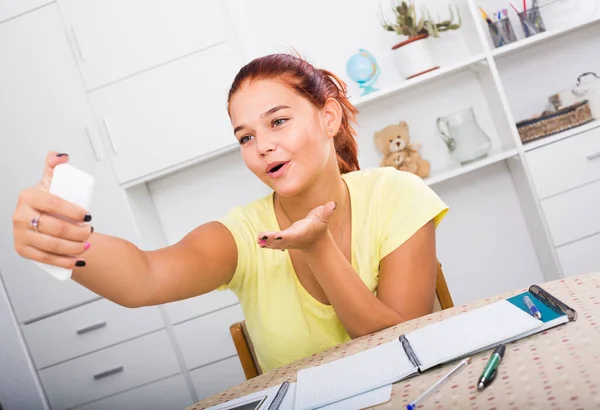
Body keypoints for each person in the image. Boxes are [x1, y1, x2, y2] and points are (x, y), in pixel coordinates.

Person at [11, 53, 448, 374]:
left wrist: (319, 249)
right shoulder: (243, 235)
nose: (261, 145)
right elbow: (144, 276)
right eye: (245, 137)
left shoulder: (396, 193)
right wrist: (64, 241)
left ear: (328, 118)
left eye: (278, 121)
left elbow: (403, 347)